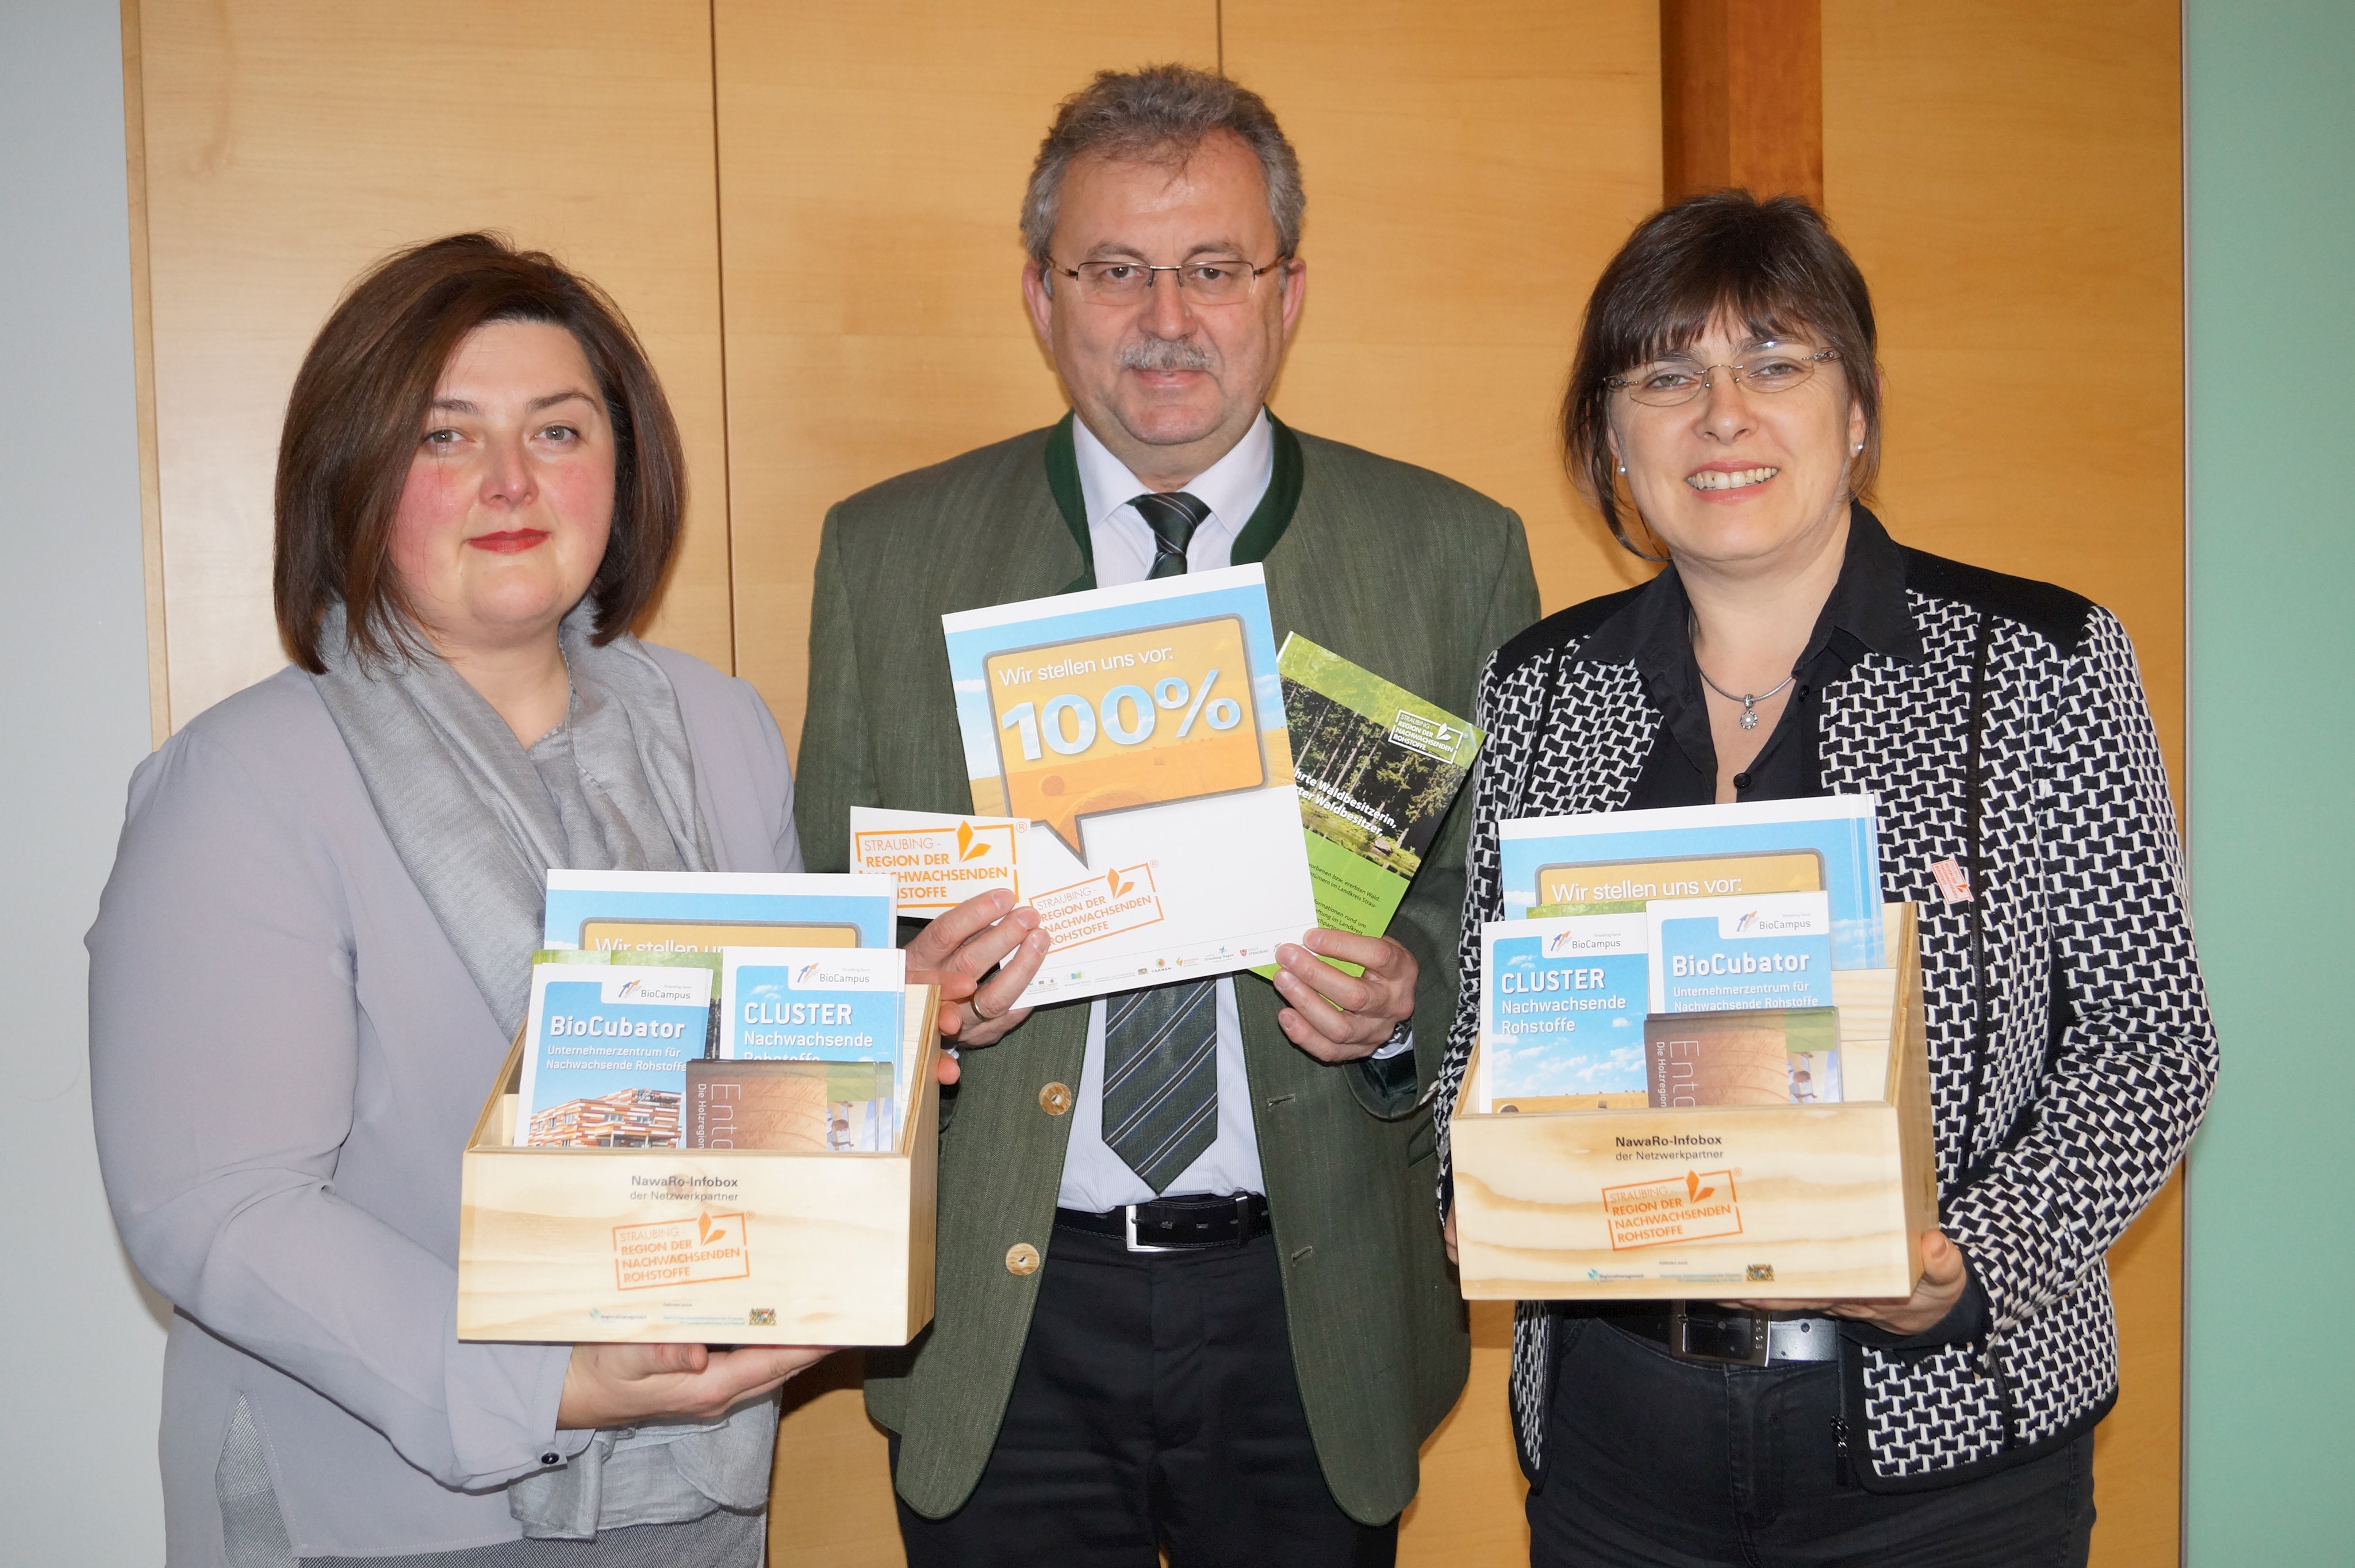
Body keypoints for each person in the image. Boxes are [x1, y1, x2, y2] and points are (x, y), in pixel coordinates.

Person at [794, 66, 1540, 1565]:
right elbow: (833, 926)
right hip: (1002, 1319)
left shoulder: (1451, 555)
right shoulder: (887, 555)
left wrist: (1408, 1005)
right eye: (1115, 270)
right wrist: (903, 1001)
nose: (1167, 318)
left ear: (1290, 291)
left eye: (1216, 269)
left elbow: (1506, 925)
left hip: (1308, 1302)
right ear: (1037, 294)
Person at [1432, 192, 2218, 1565]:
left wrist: (1969, 1259)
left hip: (1954, 1443)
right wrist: (1474, 1176)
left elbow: (2153, 1041)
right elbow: (1481, 1029)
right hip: (1618, 1441)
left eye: (1774, 364)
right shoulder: (1540, 690)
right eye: (1665, 376)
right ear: (1613, 438)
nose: (1720, 415)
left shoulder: (2034, 662)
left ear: (1854, 411)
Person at [89, 235, 841, 1566]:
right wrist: (545, 1377)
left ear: (623, 462)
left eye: (557, 429)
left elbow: (755, 1082)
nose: (510, 480)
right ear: (355, 473)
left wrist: (882, 1039)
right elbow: (215, 1206)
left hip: (701, 1489)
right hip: (383, 1506)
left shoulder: (721, 728)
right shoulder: (244, 779)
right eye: (446, 437)